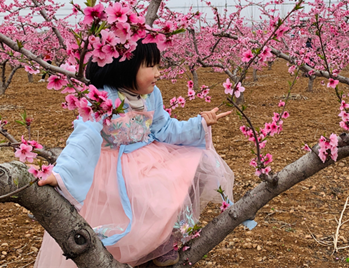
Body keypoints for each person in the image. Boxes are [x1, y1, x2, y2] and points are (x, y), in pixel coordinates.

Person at [34, 41, 234, 267]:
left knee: (176, 180)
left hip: (147, 156)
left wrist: (198, 125)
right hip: (110, 165)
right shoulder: (103, 97)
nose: (158, 73)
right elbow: (85, 136)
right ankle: (135, 251)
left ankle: (161, 243)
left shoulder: (152, 95)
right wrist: (61, 174)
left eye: (158, 66)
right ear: (126, 67)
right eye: (151, 66)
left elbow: (163, 128)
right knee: (139, 197)